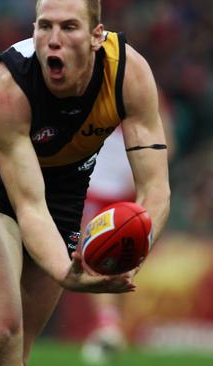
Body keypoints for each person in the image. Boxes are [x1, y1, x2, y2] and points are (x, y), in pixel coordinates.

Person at [0, 0, 171, 365]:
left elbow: (156, 188)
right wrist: (65, 274)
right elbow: (29, 206)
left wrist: (137, 249)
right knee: (2, 332)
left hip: (65, 184)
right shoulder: (7, 85)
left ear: (96, 36)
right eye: (44, 26)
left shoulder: (128, 74)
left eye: (69, 27)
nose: (52, 40)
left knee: (11, 354)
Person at [81, 92, 175, 364]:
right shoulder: (98, 91)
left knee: (116, 260)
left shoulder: (143, 95)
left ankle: (110, 326)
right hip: (95, 191)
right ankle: (108, 326)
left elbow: (170, 144)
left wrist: (145, 174)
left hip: (129, 192)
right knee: (96, 257)